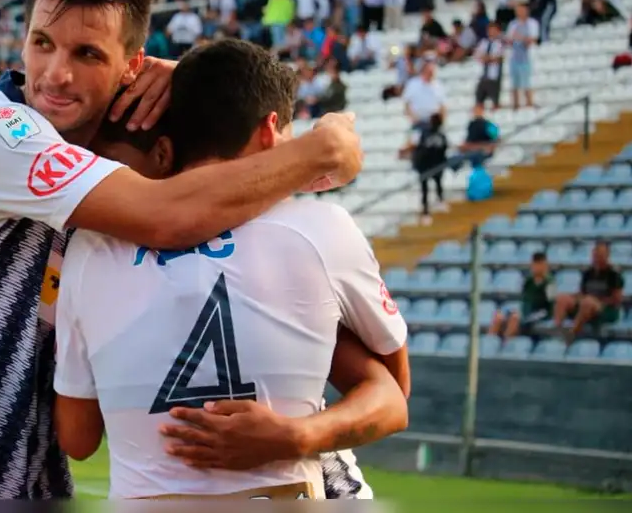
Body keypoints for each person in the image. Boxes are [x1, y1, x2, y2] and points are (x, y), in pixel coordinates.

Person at [0, 0, 363, 501]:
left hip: (35, 481)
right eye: (42, 43)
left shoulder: (113, 142)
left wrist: (190, 81)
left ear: (131, 66)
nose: (55, 73)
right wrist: (327, 148)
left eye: (88, 54)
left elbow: (247, 157)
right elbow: (168, 215)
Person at [53, 39, 410, 500]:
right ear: (269, 128)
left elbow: (77, 438)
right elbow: (393, 391)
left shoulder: (90, 251)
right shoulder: (318, 229)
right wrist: (296, 435)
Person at [490, 251, 563, 338]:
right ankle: (490, 342)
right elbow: (525, 300)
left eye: (539, 264)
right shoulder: (528, 281)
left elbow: (552, 304)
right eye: (535, 264)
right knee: (499, 316)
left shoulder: (550, 283)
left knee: (515, 318)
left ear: (544, 265)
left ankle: (506, 343)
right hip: (526, 312)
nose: (536, 267)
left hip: (542, 313)